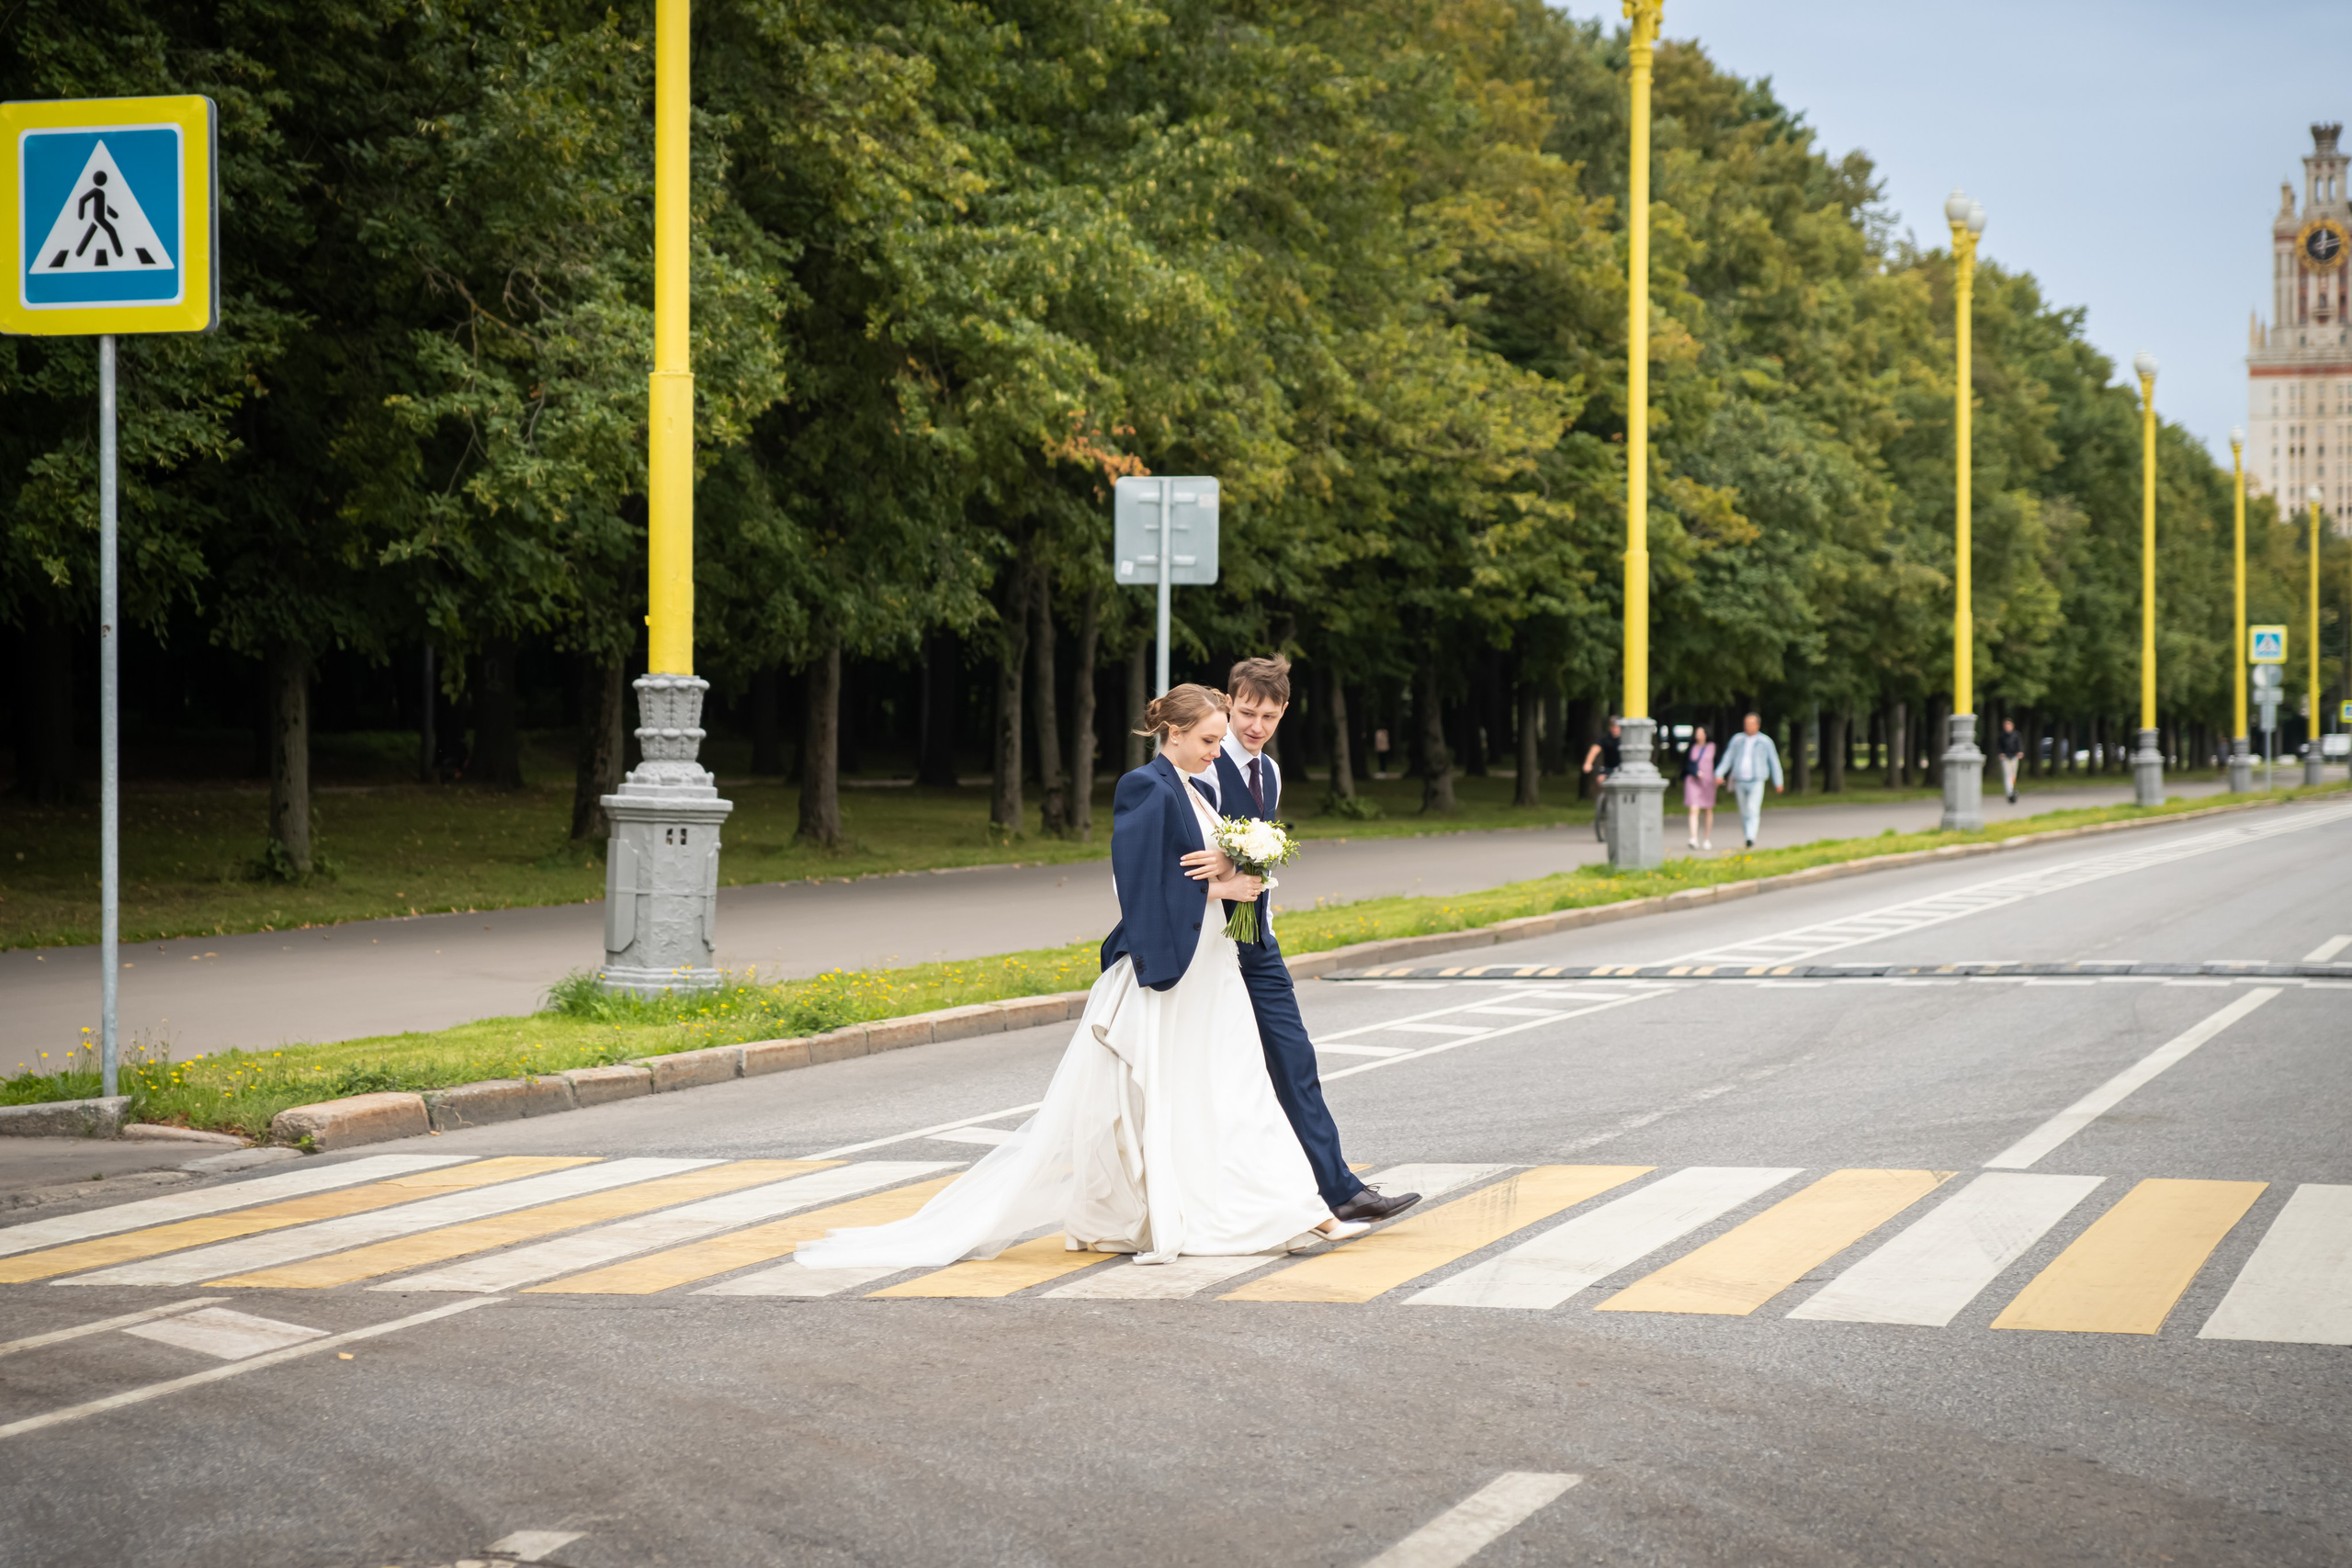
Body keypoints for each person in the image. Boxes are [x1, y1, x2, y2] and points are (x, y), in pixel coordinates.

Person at [796, 685, 1370, 1271]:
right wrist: (1221, 890)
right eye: (1207, 739)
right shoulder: (1144, 786)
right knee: (1196, 1098)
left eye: (1219, 739)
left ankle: (1298, 1211)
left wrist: (1237, 873)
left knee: (1236, 1093)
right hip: (1179, 977)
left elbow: (1194, 867)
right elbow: (1140, 887)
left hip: (1216, 969)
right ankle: (1269, 1213)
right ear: (1173, 733)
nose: (1216, 750)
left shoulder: (1201, 791)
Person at [1196, 657, 1421, 1225]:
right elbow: (1182, 859)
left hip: (1257, 944)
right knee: (1212, 1074)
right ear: (1227, 703)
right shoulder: (1200, 762)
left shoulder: (1268, 772)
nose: (1256, 726)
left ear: (1284, 712)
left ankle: (1340, 1190)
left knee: (1295, 1061)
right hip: (1207, 944)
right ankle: (1211, 1194)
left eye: (1269, 716)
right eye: (1246, 712)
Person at [1718, 711, 1783, 848]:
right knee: (1743, 811)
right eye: (1746, 724)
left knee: (1752, 808)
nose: (1748, 727)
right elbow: (1728, 758)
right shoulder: (1737, 740)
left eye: (1751, 724)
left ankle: (1750, 837)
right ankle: (1747, 835)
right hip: (1740, 779)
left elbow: (1774, 762)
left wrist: (1778, 781)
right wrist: (1719, 774)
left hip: (1757, 780)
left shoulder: (1765, 741)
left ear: (1758, 725)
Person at [1582, 717, 1623, 841]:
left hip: (1622, 768)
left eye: (1617, 727)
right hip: (1609, 768)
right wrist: (1588, 763)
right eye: (1613, 727)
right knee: (1600, 778)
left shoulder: (1625, 740)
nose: (1615, 730)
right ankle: (1605, 803)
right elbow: (1594, 750)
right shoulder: (1605, 739)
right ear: (1610, 728)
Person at [1681, 725, 1717, 850]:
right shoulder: (1691, 748)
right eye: (1697, 733)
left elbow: (1717, 763)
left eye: (1701, 733)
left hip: (1707, 782)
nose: (1699, 735)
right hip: (1693, 781)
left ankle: (1706, 838)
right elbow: (1686, 764)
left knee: (1707, 810)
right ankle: (1693, 837)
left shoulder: (1712, 747)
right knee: (1693, 809)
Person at [1997, 717, 2024, 804]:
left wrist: (2019, 752)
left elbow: (2019, 744)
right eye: (2006, 725)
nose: (2007, 727)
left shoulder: (2016, 734)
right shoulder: (2002, 735)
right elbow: (1999, 746)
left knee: (2013, 775)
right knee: (2007, 775)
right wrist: (2001, 753)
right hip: (2005, 757)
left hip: (2014, 757)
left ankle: (2012, 790)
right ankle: (2009, 792)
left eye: (2009, 725)